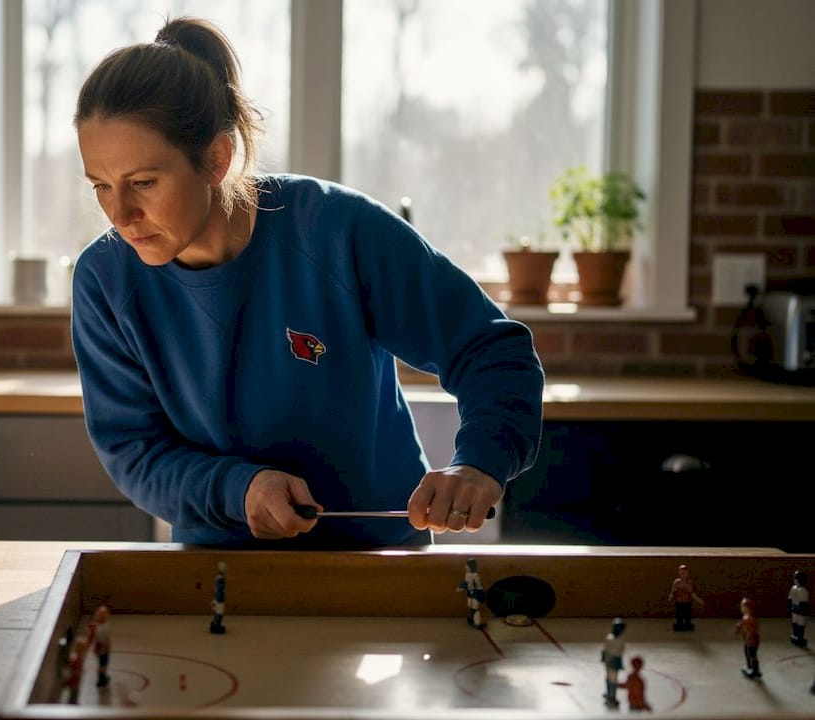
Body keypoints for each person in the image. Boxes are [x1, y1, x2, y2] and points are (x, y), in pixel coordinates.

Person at [70, 16, 544, 548]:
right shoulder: (103, 279)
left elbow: (490, 351)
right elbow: (135, 451)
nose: (121, 213)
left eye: (144, 183)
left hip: (378, 562)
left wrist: (480, 463)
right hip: (215, 570)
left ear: (216, 159)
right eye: (101, 186)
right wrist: (240, 489)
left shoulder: (338, 231)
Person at [667, 564, 704, 631]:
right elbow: (673, 591)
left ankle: (687, 624)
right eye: (681, 572)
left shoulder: (689, 582)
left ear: (687, 573)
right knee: (679, 615)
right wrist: (671, 596)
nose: (683, 574)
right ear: (679, 573)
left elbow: (691, 592)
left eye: (685, 573)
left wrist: (698, 599)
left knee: (687, 615)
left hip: (687, 602)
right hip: (679, 602)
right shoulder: (676, 582)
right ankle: (679, 624)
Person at [600, 618, 626, 708]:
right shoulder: (619, 641)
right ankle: (612, 696)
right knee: (613, 680)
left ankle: (609, 694)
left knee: (609, 678)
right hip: (614, 662)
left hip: (608, 661)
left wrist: (603, 658)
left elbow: (604, 650)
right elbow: (620, 652)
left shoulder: (609, 638)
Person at [736, 598, 761, 679]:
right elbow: (740, 624)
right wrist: (738, 628)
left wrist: (749, 635)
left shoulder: (750, 619)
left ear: (747, 608)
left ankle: (755, 670)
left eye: (742, 607)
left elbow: (752, 629)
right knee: (747, 653)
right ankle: (750, 667)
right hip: (748, 640)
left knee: (752, 654)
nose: (741, 608)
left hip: (751, 640)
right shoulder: (745, 617)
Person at [789, 569, 809, 647]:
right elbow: (790, 598)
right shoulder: (793, 588)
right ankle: (795, 635)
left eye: (796, 579)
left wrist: (802, 611)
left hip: (800, 611)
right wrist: (790, 605)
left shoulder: (803, 591)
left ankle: (799, 637)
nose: (795, 580)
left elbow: (804, 603)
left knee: (800, 623)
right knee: (794, 622)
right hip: (794, 608)